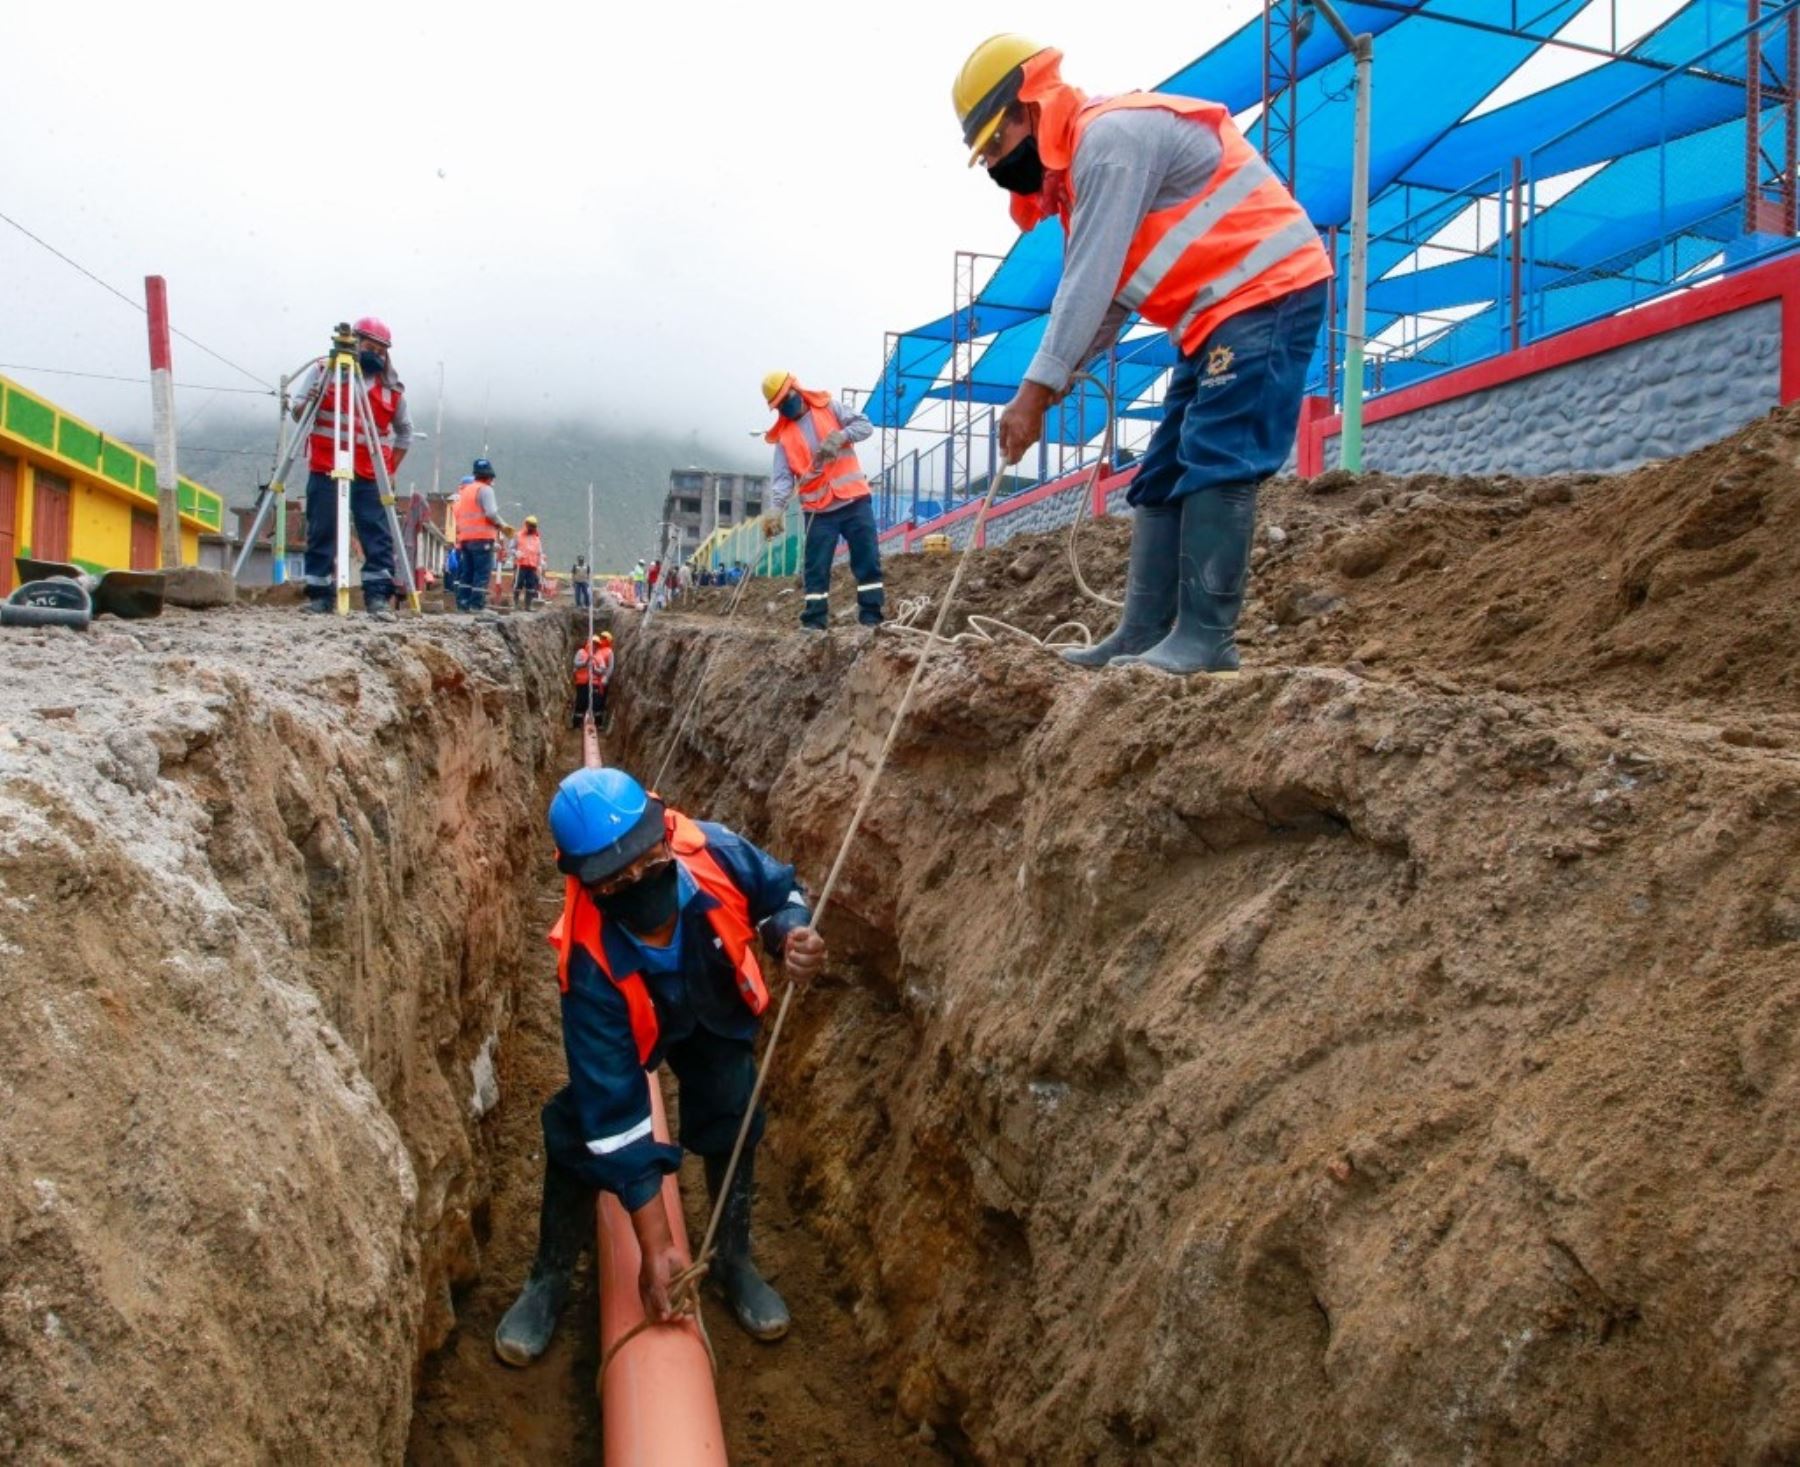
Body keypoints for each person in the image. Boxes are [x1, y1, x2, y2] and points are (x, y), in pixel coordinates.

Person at [953, 35, 1331, 676]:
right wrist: (1057, 380)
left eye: (996, 142)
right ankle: (1142, 632)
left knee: (1218, 455)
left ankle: (1206, 638)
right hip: (1213, 319)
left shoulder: (1109, 145)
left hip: (1266, 292)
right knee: (1159, 475)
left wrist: (1034, 391)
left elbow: (1087, 283)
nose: (995, 162)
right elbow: (1106, 303)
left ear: (1029, 106)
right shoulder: (1082, 173)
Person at [494, 767, 827, 1365]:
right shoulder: (588, 965)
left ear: (665, 834)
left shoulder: (716, 853)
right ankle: (548, 1280)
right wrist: (657, 1245)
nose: (640, 881)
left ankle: (733, 1260)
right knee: (581, 1132)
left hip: (709, 998)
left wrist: (791, 936)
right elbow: (615, 1109)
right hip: (633, 1011)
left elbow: (781, 895)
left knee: (732, 1107)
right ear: (587, 884)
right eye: (618, 879)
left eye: (649, 862)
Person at [293, 316, 414, 620]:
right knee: (322, 529)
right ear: (355, 343)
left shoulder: (392, 390)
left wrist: (390, 469)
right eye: (369, 346)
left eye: (380, 350)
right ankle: (320, 595)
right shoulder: (324, 373)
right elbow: (297, 412)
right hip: (326, 466)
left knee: (376, 533)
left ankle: (377, 597)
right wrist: (305, 404)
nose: (374, 353)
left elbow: (405, 433)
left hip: (370, 473)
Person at [760, 371, 884, 632]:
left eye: (787, 399)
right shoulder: (785, 438)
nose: (786, 407)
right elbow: (782, 479)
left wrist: (840, 437)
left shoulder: (829, 408)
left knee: (868, 559)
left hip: (853, 500)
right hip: (819, 511)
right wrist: (776, 510)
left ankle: (871, 617)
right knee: (816, 568)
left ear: (797, 389)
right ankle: (814, 621)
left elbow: (865, 426)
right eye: (780, 405)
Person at [454, 460, 512, 612]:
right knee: (481, 572)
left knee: (467, 572)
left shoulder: (466, 491)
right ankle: (477, 606)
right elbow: (491, 513)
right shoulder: (485, 490)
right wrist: (503, 526)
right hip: (482, 538)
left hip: (466, 538)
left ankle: (463, 604)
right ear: (490, 476)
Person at [570, 631, 613, 728]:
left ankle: (598, 724)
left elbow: (602, 669)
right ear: (588, 643)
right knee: (581, 702)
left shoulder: (599, 656)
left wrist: (595, 669)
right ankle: (576, 724)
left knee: (596, 704)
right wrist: (585, 663)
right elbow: (576, 663)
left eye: (596, 644)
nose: (594, 646)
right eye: (593, 643)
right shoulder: (581, 652)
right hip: (581, 683)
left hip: (594, 683)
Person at [513, 515, 545, 610]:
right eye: (530, 525)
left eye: (533, 526)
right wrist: (516, 553)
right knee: (518, 584)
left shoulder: (537, 539)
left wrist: (541, 563)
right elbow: (511, 548)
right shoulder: (518, 535)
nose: (531, 527)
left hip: (532, 566)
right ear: (526, 524)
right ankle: (516, 604)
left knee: (531, 585)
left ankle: (528, 606)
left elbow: (539, 552)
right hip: (521, 564)